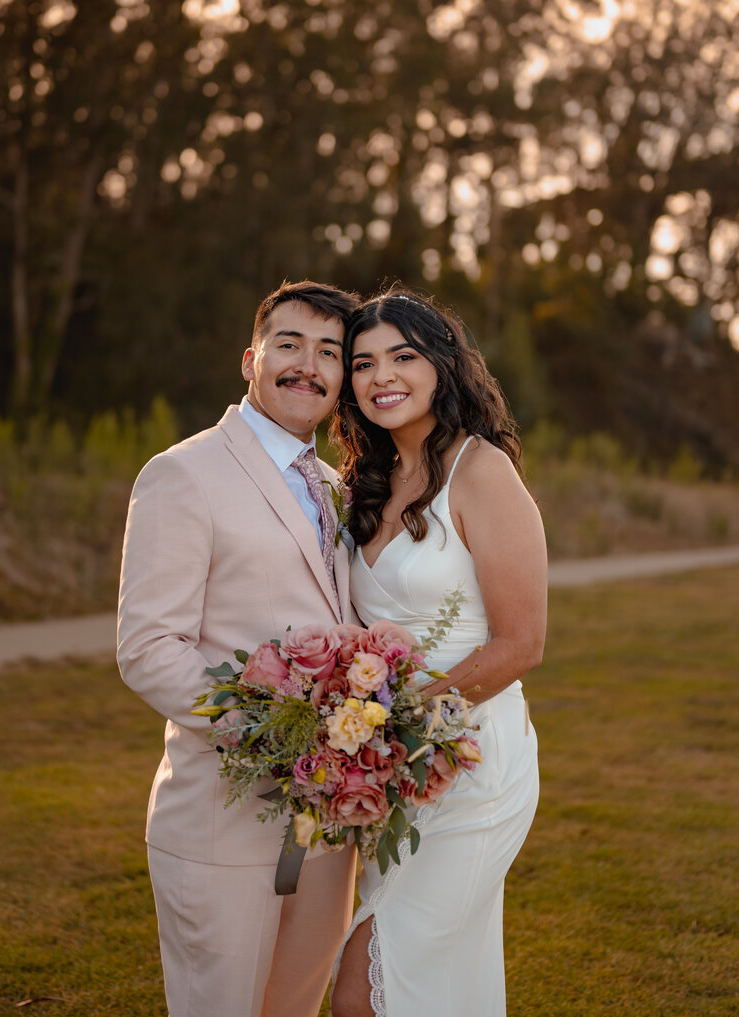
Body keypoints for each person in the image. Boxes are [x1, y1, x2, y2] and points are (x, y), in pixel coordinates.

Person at [117, 280, 360, 1017]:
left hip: (328, 827)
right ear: (250, 359)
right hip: (222, 824)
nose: (307, 366)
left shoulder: (338, 487)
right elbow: (148, 646)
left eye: (329, 352)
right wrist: (270, 734)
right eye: (289, 344)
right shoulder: (183, 473)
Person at [329, 287, 548, 1017]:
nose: (380, 375)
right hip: (395, 777)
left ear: (443, 364)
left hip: (474, 766)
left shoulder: (481, 472)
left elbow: (522, 644)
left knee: (367, 991)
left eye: (402, 355)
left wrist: (392, 725)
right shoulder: (369, 479)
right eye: (362, 363)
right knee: (432, 986)